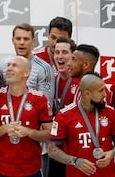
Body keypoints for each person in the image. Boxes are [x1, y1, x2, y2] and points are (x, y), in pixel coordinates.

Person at [0, 55, 53, 177]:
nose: (9, 68)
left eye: (14, 65)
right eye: (8, 65)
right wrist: (4, 129)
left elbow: (50, 136)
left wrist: (28, 132)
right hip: (2, 170)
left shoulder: (39, 99)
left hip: (31, 170)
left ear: (26, 73)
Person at [49, 73, 115, 177]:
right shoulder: (64, 115)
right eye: (101, 90)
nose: (105, 95)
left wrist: (111, 154)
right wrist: (75, 161)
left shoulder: (111, 113)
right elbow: (52, 150)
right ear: (87, 93)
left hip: (107, 173)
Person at [48, 37, 78, 177]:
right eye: (57, 52)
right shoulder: (51, 79)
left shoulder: (80, 82)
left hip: (73, 147)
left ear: (73, 56)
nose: (59, 56)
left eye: (64, 52)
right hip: (55, 145)